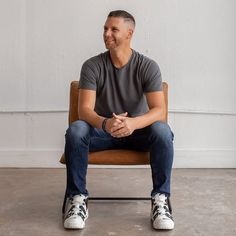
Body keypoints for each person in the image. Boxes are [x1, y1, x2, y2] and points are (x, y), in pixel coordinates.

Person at [62, 10, 174, 230]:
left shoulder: (147, 66)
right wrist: (106, 123)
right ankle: (77, 199)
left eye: (114, 29)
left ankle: (160, 200)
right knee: (76, 129)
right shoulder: (92, 65)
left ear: (130, 33)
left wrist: (132, 123)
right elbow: (84, 110)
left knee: (162, 130)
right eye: (105, 28)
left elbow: (159, 110)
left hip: (137, 133)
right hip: (102, 132)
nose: (106, 33)